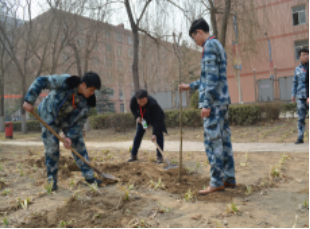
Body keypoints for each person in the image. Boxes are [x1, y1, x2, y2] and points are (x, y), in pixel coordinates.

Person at [178, 18, 236, 194]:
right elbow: (209, 77)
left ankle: (216, 181)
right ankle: (229, 178)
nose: (194, 41)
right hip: (222, 101)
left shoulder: (209, 46)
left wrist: (206, 103)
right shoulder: (217, 45)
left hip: (214, 104)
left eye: (193, 37)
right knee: (225, 141)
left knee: (212, 143)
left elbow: (210, 78)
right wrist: (191, 86)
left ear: (199, 32)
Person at [23, 72, 103, 191]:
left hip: (67, 120)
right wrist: (29, 100)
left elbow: (79, 122)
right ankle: (52, 182)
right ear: (84, 85)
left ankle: (90, 178)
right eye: (91, 90)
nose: (92, 94)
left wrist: (70, 136)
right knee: (52, 149)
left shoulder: (88, 102)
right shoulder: (65, 81)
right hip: (49, 115)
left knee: (79, 144)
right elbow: (41, 81)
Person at [128, 89, 167, 163]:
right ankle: (133, 155)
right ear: (136, 99)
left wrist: (154, 134)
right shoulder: (133, 99)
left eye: (144, 101)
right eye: (140, 102)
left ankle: (159, 156)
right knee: (139, 133)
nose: (142, 103)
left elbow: (156, 121)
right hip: (143, 118)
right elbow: (132, 108)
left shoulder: (153, 104)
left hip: (156, 117)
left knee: (159, 134)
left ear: (147, 98)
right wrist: (137, 116)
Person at [291, 48, 309, 144]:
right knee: (301, 118)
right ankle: (300, 137)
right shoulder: (297, 69)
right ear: (300, 57)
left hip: (309, 97)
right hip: (300, 97)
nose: (306, 56)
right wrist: (293, 94)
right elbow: (294, 82)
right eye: (304, 55)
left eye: (307, 54)